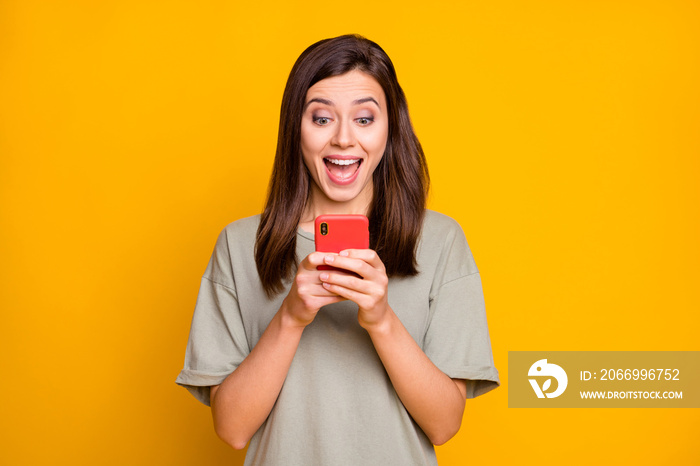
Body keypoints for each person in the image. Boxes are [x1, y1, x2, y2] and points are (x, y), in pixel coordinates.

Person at [176, 34, 499, 466]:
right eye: (322, 118)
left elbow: (444, 424)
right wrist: (290, 316)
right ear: (297, 127)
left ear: (390, 128)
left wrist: (382, 319)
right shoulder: (239, 245)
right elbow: (232, 430)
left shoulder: (440, 241)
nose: (344, 139)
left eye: (364, 119)